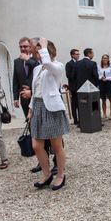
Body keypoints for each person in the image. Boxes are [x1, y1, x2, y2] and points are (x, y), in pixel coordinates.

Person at [28, 37, 69, 191]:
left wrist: (43, 46)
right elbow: (35, 92)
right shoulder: (36, 69)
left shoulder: (57, 66)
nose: (36, 53)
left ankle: (60, 175)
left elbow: (47, 63)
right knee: (36, 145)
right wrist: (31, 109)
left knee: (56, 145)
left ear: (47, 50)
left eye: (39, 50)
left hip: (51, 108)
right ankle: (46, 174)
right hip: (38, 107)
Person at [12, 37, 37, 118]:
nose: (23, 48)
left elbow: (37, 68)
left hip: (35, 95)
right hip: (24, 96)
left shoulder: (36, 58)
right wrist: (15, 98)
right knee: (29, 121)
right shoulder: (17, 61)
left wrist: (28, 60)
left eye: (25, 46)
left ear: (30, 47)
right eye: (21, 47)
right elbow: (15, 80)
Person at [65, 48, 80, 125]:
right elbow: (69, 76)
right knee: (74, 104)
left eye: (78, 54)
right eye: (77, 54)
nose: (78, 55)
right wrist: (75, 66)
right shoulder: (69, 64)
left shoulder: (80, 63)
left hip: (80, 86)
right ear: (72, 55)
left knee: (80, 103)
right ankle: (75, 119)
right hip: (73, 87)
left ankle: (81, 118)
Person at [98, 54, 111, 119]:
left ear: (108, 59)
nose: (105, 59)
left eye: (106, 58)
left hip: (109, 83)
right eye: (103, 58)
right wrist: (101, 77)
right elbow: (97, 75)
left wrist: (107, 78)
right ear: (102, 59)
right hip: (101, 83)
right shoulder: (99, 67)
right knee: (103, 99)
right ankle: (104, 113)